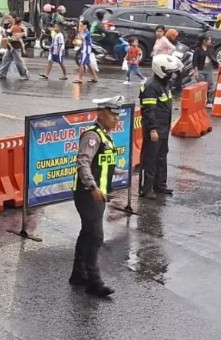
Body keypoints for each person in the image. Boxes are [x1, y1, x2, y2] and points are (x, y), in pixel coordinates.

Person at [70, 95, 126, 298]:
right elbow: (83, 163)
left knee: (87, 233)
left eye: (118, 116)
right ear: (101, 114)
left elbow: (101, 163)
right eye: (112, 115)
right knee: (96, 236)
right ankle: (95, 282)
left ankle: (78, 274)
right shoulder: (92, 136)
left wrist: (118, 171)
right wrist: (92, 187)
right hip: (88, 195)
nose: (116, 119)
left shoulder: (105, 135)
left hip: (98, 195)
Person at [139, 54, 183, 199]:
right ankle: (146, 190)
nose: (171, 75)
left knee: (161, 157)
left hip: (164, 129)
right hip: (155, 130)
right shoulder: (151, 87)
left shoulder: (164, 84)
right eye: (169, 72)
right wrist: (152, 129)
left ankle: (160, 185)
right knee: (150, 159)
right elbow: (148, 110)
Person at [192, 34, 218, 108]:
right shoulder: (197, 50)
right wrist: (196, 71)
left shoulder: (211, 48)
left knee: (210, 84)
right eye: (209, 40)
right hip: (201, 69)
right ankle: (201, 102)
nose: (210, 41)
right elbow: (195, 61)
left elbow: (213, 57)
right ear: (204, 41)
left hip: (209, 68)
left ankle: (210, 101)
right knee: (201, 86)